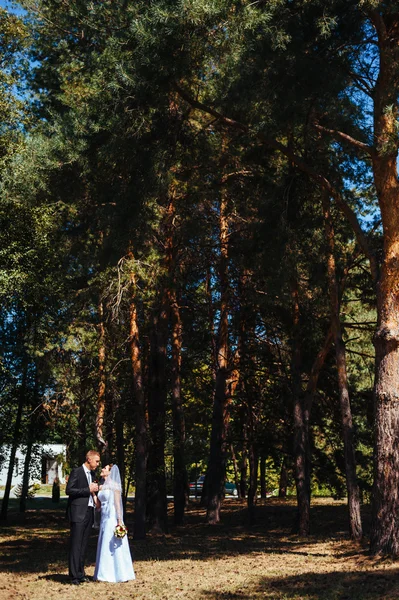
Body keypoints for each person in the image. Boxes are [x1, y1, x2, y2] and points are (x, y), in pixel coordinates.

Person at [93, 464, 135, 583]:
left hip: (112, 517)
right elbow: (99, 505)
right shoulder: (101, 487)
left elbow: (117, 504)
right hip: (104, 517)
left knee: (112, 542)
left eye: (105, 468)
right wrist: (93, 494)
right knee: (104, 543)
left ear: (110, 472)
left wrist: (119, 520)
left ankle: (118, 572)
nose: (102, 469)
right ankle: (103, 572)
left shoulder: (115, 486)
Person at [66, 450, 100, 585]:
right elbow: (69, 490)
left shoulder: (92, 474)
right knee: (76, 544)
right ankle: (73, 576)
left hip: (89, 512)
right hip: (78, 513)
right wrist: (88, 489)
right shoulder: (77, 471)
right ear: (89, 459)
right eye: (96, 461)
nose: (97, 464)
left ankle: (80, 573)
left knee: (84, 544)